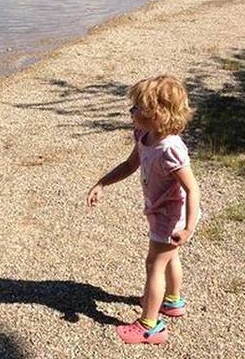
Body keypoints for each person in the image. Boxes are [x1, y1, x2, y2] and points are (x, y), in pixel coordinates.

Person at [86, 75, 201, 345]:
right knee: (169, 258)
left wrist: (188, 227)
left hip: (172, 217)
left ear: (158, 115)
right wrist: (102, 183)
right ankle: (172, 301)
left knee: (154, 264)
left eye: (137, 108)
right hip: (158, 211)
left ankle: (150, 325)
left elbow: (192, 189)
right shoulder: (144, 135)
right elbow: (129, 165)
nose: (131, 112)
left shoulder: (171, 149)